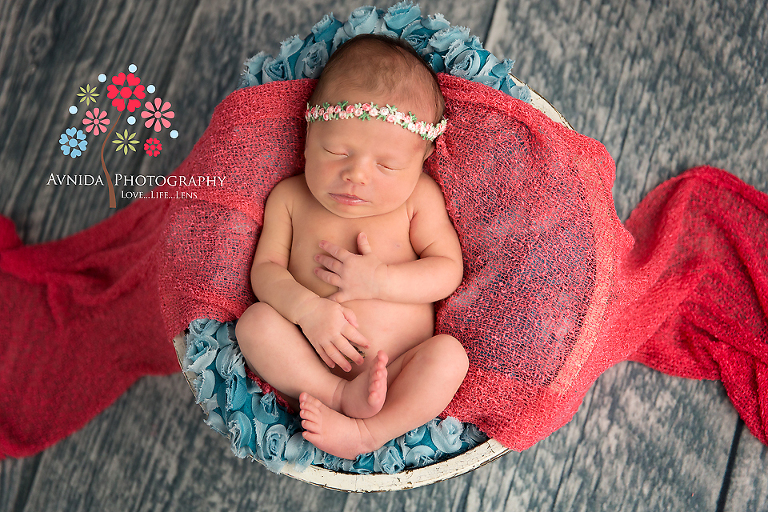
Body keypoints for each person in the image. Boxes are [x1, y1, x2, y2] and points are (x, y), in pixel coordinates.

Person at [235, 34, 468, 460]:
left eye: (387, 165)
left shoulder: (419, 198)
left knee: (450, 358)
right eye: (335, 150)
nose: (356, 176)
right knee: (254, 325)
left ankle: (371, 431)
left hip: (400, 367)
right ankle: (339, 396)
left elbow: (447, 270)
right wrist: (308, 311)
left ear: (422, 159)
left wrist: (379, 280)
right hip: (311, 362)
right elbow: (265, 271)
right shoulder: (289, 198)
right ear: (308, 134)